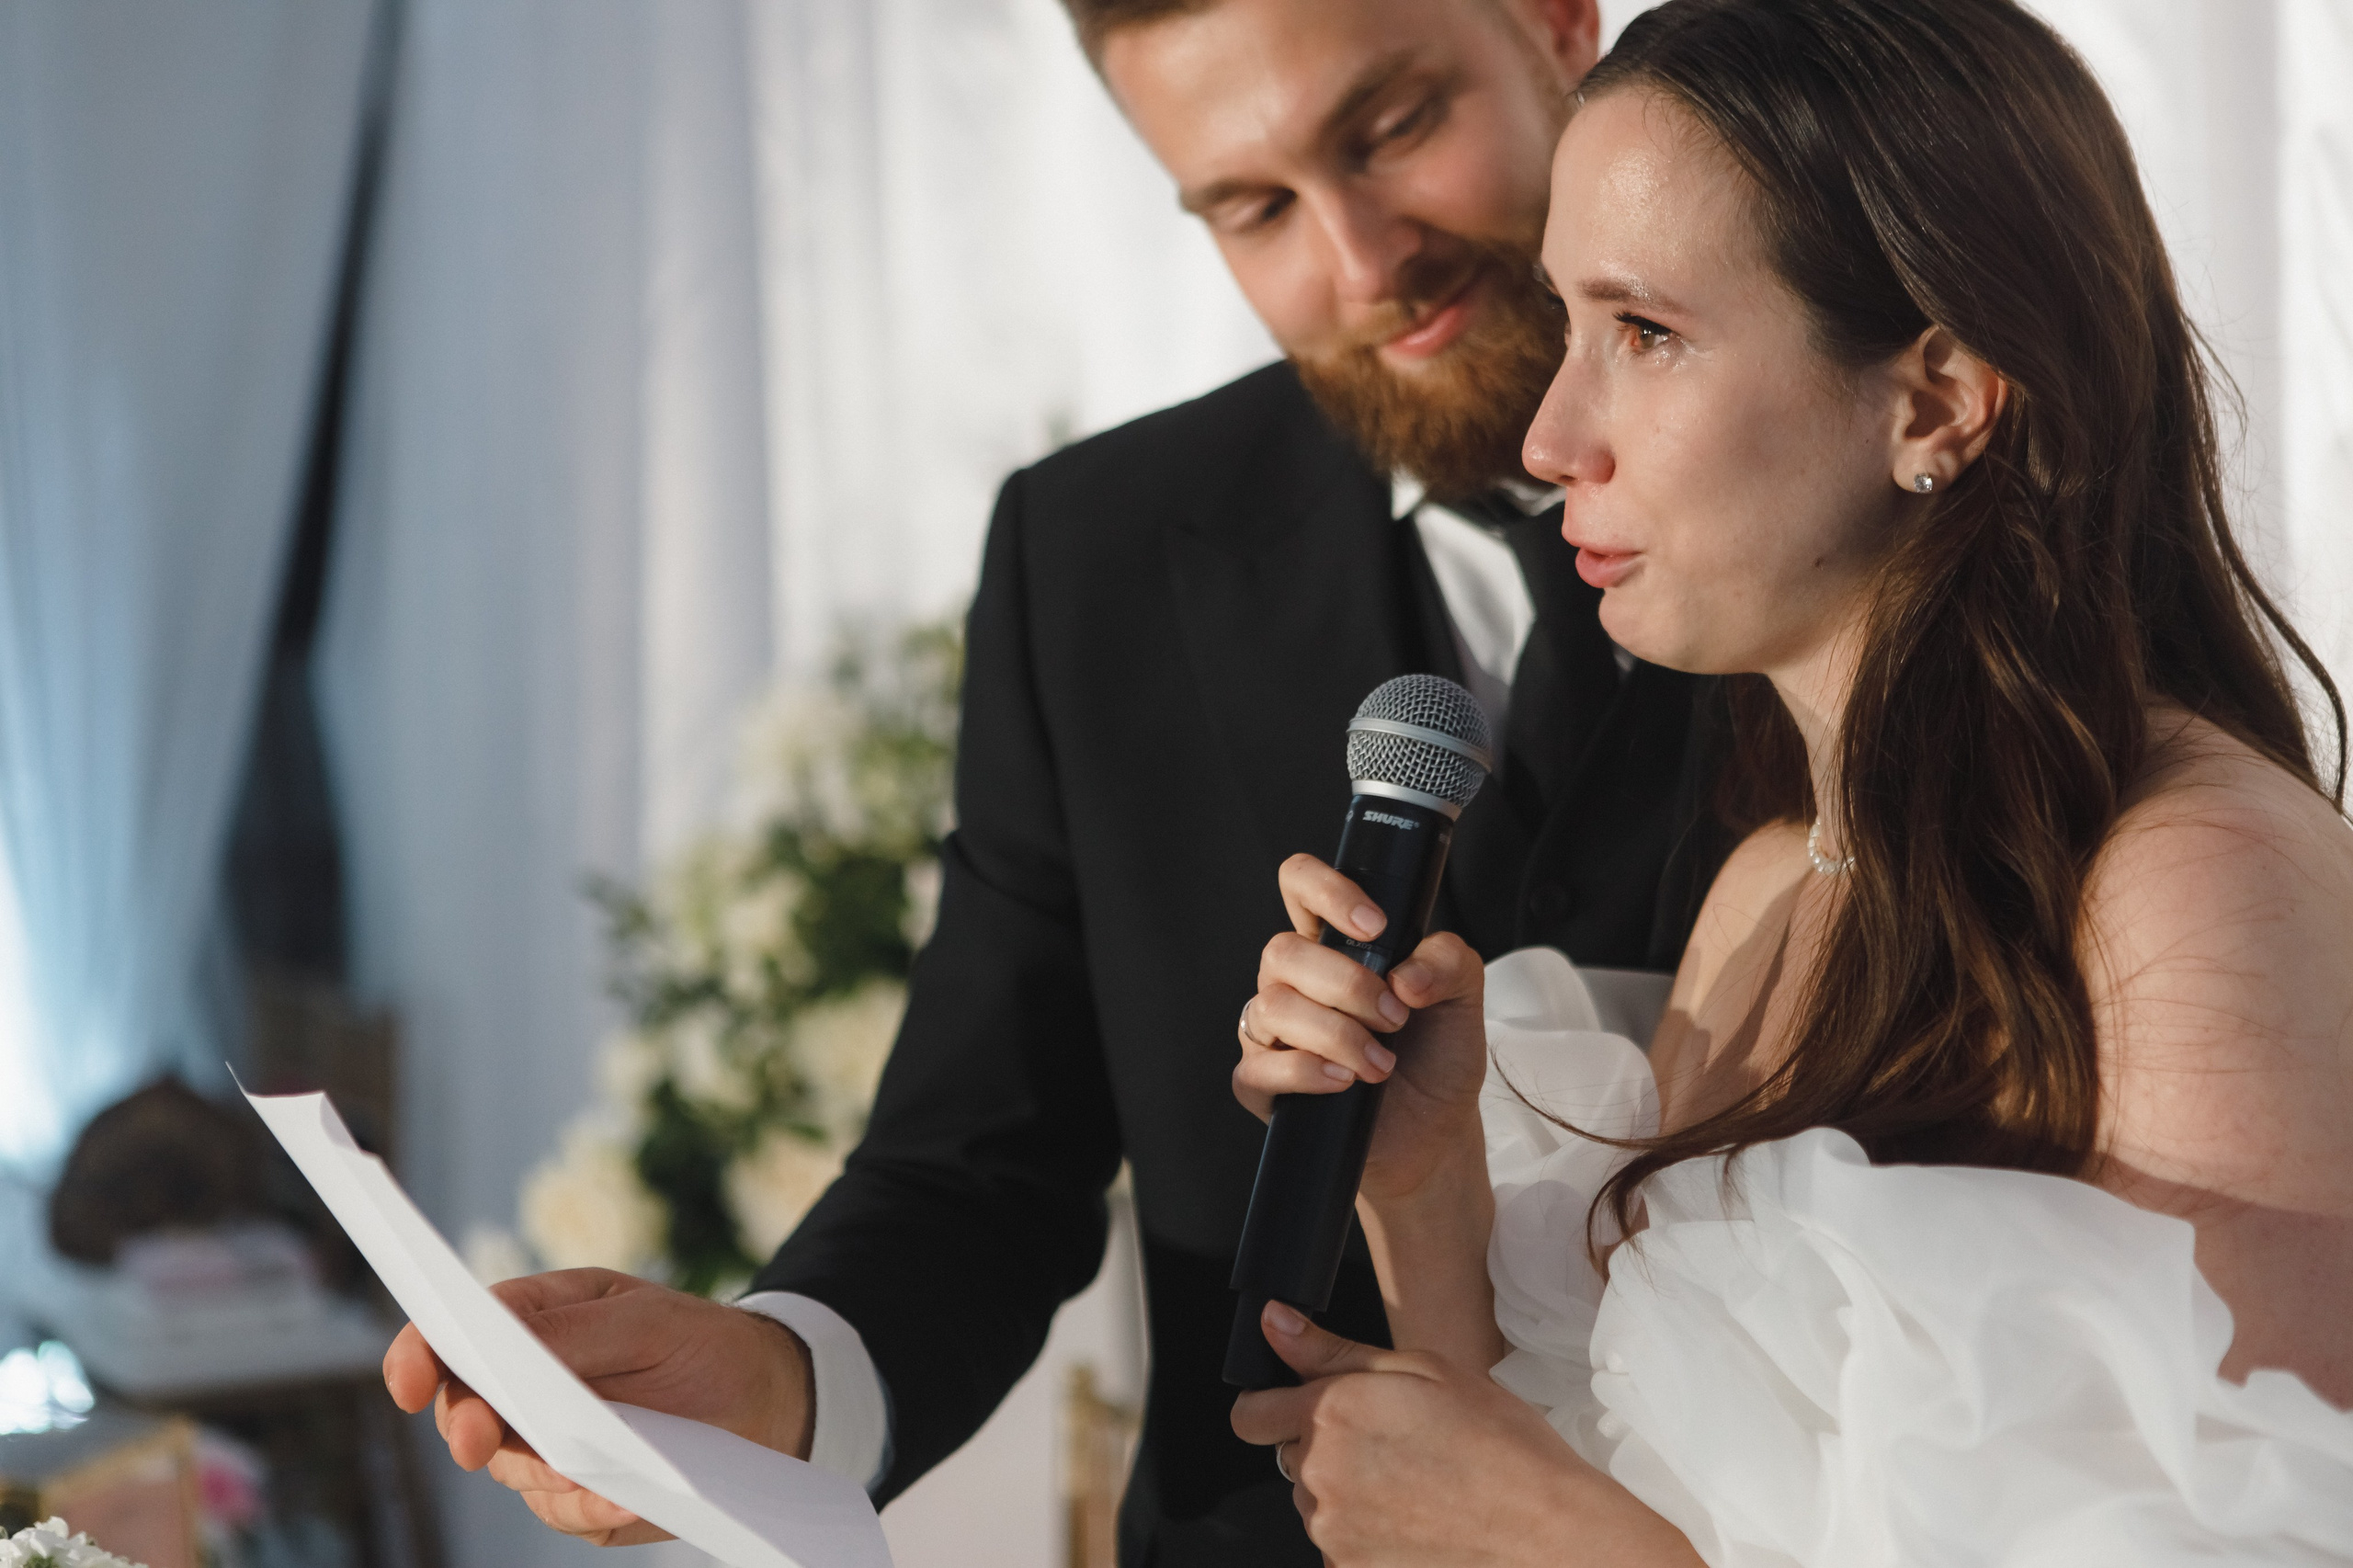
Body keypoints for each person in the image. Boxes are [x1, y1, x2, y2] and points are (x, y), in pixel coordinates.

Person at [383, 2, 1736, 1563]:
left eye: (1393, 129)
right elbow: (981, 1157)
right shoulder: (1091, 558)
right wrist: (777, 1378)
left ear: (1558, 25)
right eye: (1253, 207)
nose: (1366, 261)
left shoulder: (1890, 477)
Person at [1227, 0, 2353, 1561]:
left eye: (1645, 333)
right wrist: (1420, 1188)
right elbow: (1584, 1479)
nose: (1554, 435)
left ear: (1938, 399)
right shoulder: (1771, 883)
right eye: (1566, 325)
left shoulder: (2191, 886)